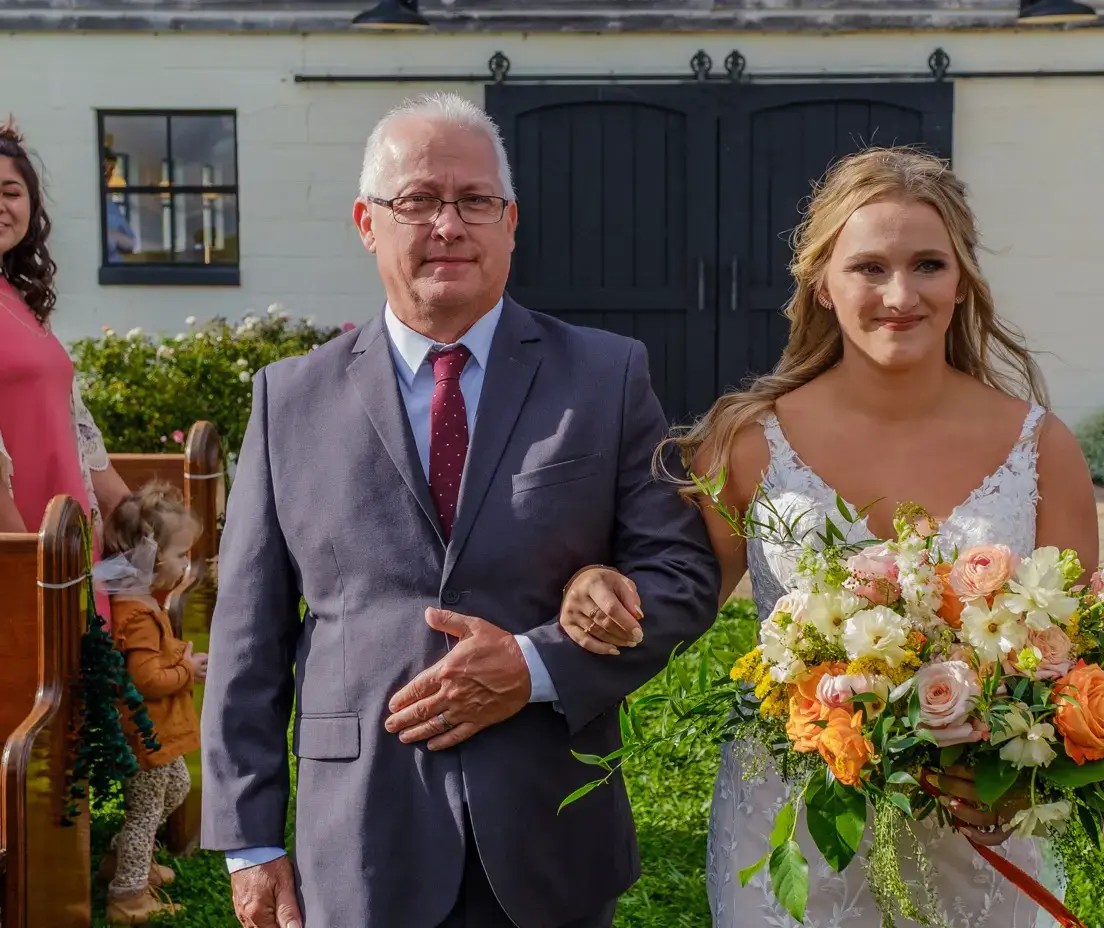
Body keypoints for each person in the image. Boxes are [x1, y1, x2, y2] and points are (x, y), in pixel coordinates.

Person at [199, 92, 720, 928]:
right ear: (368, 223)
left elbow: (681, 573)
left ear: (510, 222)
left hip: (548, 832)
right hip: (359, 834)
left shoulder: (605, 377)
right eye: (418, 201)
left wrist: (536, 665)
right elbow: (248, 637)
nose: (450, 224)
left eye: (476, 201)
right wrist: (252, 843)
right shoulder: (288, 400)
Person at [561, 147, 1098, 927]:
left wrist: (1026, 776)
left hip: (983, 830)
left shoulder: (1041, 448)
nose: (900, 295)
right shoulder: (746, 441)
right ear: (821, 281)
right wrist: (592, 585)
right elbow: (672, 599)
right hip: (790, 823)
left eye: (927, 265)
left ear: (963, 280)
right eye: (869, 268)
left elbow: (1079, 663)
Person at [0, 118, 130, 619]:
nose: (2, 205)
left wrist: (127, 511)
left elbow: (71, 422)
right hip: (23, 548)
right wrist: (22, 557)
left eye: (11, 191)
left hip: (61, 536)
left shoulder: (20, 299)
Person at [94, 481, 206, 924]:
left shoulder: (142, 602)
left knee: (175, 788)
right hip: (147, 731)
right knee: (144, 814)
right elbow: (146, 680)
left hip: (157, 732)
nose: (184, 565)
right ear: (150, 558)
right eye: (179, 555)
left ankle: (121, 859)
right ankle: (128, 896)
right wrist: (187, 670)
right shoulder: (137, 615)